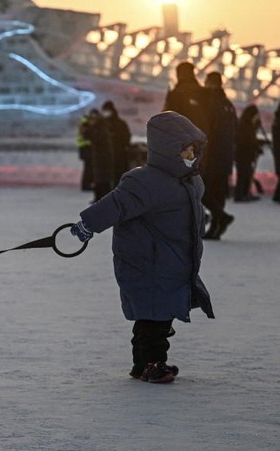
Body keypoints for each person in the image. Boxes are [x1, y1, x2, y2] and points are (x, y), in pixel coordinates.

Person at [69, 111, 214, 384]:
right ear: (167, 150)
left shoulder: (191, 180)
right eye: (185, 150)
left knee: (158, 315)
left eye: (194, 149)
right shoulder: (145, 182)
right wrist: (87, 225)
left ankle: (142, 363)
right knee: (155, 317)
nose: (191, 155)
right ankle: (152, 363)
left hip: (175, 260)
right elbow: (114, 205)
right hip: (148, 263)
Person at [200, 72, 236, 240]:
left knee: (201, 189)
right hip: (225, 156)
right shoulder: (228, 104)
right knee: (218, 192)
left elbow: (206, 128)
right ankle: (216, 225)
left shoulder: (209, 102)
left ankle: (219, 217)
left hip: (211, 155)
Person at [163, 62, 209, 134]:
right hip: (202, 137)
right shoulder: (205, 93)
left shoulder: (176, 93)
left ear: (179, 74)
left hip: (181, 137)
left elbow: (168, 117)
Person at [81, 108, 114, 202]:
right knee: (99, 179)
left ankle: (102, 198)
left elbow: (92, 137)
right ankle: (100, 198)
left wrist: (88, 127)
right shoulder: (100, 127)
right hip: (100, 158)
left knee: (102, 180)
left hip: (102, 158)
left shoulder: (101, 129)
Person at [233, 105, 263, 202]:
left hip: (245, 154)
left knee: (246, 174)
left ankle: (245, 193)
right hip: (244, 154)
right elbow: (247, 140)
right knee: (243, 175)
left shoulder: (246, 124)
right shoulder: (245, 126)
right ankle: (241, 194)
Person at [101, 100, 132, 183]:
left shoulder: (120, 124)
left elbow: (126, 137)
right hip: (106, 157)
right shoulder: (102, 124)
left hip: (118, 155)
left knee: (117, 177)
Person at [76, 112, 93, 191]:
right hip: (86, 147)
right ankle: (86, 184)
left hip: (83, 148)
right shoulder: (85, 124)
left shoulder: (83, 123)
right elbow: (87, 136)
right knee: (88, 168)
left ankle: (86, 184)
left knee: (88, 167)